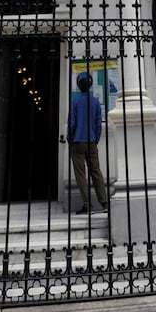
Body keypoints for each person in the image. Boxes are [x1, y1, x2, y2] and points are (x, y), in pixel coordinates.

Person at [67, 71, 108, 214]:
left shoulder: (74, 101)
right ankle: (104, 203)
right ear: (90, 85)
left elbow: (72, 122)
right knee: (96, 171)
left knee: (80, 174)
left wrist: (70, 137)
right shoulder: (95, 102)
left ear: (78, 85)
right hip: (91, 141)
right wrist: (96, 138)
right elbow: (98, 123)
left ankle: (87, 204)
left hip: (77, 140)